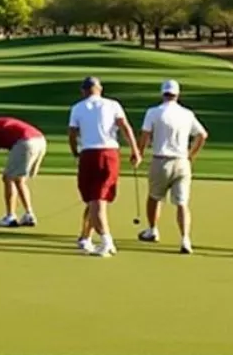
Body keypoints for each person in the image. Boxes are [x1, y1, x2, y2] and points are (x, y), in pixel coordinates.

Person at [68, 76, 141, 256]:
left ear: (84, 91)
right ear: (99, 89)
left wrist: (75, 151)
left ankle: (104, 240)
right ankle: (91, 238)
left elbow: (71, 134)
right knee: (96, 200)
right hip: (109, 154)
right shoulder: (113, 104)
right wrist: (135, 150)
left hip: (88, 154)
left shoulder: (77, 107)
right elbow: (125, 127)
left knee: (96, 200)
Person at [136, 79, 208, 255]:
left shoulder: (153, 112)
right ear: (177, 95)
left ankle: (152, 230)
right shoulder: (187, 113)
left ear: (162, 93)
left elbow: (145, 136)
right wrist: (191, 155)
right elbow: (202, 135)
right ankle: (185, 240)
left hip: (161, 160)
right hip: (182, 162)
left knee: (154, 197)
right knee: (182, 203)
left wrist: (138, 154)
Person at [0, 111, 47, 227]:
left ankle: (10, 216)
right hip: (40, 140)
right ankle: (29, 214)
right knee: (19, 180)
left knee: (8, 178)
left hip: (26, 142)